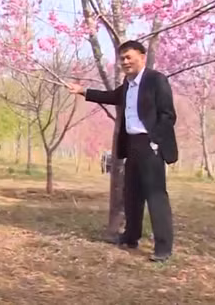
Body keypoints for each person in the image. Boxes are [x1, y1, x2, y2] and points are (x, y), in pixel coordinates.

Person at [68, 40, 177, 263]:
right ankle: (130, 237)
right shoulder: (128, 85)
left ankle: (163, 247)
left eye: (129, 57)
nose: (125, 62)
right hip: (132, 145)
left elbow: (168, 115)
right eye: (122, 58)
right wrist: (82, 91)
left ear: (142, 57)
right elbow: (111, 97)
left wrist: (155, 141)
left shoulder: (156, 80)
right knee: (131, 194)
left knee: (156, 197)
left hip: (150, 144)